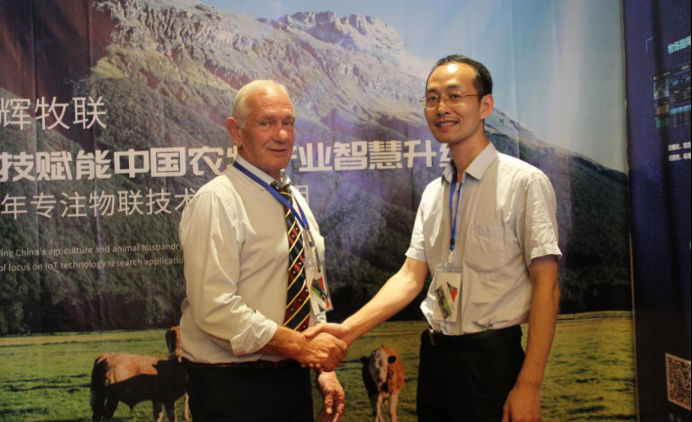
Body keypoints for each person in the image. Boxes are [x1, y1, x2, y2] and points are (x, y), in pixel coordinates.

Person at [306, 55, 562, 422]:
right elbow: (410, 277)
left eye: (455, 96)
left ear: (485, 105)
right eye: (432, 98)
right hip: (435, 360)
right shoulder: (433, 193)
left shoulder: (524, 183)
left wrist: (529, 386)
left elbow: (547, 288)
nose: (442, 108)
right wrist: (348, 330)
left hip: (490, 363)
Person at [178, 79, 346, 422]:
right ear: (236, 132)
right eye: (266, 123)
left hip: (291, 378)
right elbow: (214, 308)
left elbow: (310, 283)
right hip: (234, 389)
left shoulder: (293, 198)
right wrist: (301, 346)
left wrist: (323, 368)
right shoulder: (217, 200)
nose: (281, 135)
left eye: (288, 122)